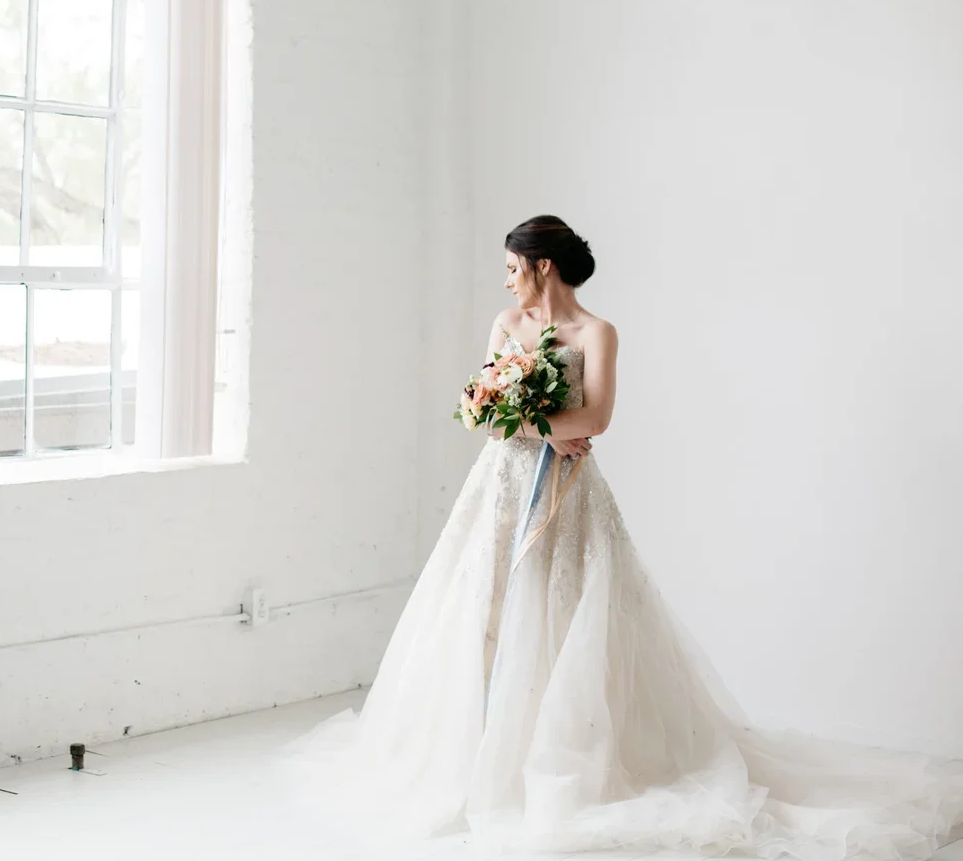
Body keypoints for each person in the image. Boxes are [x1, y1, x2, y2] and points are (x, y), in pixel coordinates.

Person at [277, 216, 963, 860]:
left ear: (544, 267)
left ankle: (565, 754)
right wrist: (544, 426)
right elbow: (482, 410)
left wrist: (538, 422)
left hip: (568, 493)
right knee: (484, 606)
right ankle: (476, 751)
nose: (507, 281)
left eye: (514, 268)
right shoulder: (506, 324)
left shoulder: (597, 332)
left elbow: (598, 417)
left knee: (567, 610)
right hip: (500, 490)